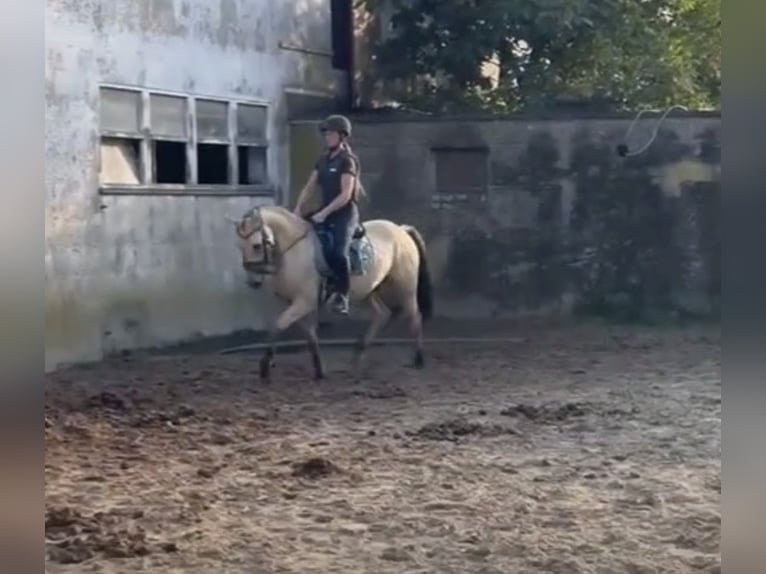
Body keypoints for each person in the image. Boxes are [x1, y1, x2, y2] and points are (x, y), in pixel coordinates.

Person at [293, 114, 361, 314]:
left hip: (344, 214)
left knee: (337, 253)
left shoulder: (347, 161)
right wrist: (298, 209)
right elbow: (309, 187)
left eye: (331, 133)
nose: (327, 137)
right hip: (326, 211)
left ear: (342, 136)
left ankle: (342, 294)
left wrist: (324, 213)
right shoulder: (322, 159)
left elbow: (346, 195)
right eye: (326, 134)